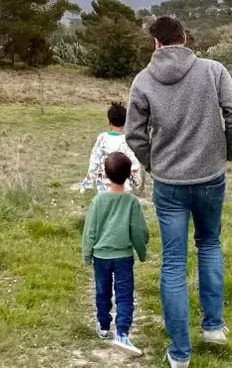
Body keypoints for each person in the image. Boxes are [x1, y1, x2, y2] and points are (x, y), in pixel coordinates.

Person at [125, 15, 232, 368]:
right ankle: (213, 328)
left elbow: (134, 134)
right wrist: (226, 152)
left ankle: (180, 354)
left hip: (169, 185)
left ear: (156, 43)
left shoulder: (143, 80)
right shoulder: (213, 70)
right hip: (210, 178)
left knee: (174, 262)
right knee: (209, 245)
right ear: (184, 38)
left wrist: (153, 164)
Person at [81, 151, 150, 358]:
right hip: (123, 258)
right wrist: (142, 251)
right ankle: (122, 333)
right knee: (125, 295)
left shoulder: (98, 201)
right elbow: (139, 231)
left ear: (105, 174)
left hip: (101, 258)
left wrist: (87, 254)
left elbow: (90, 231)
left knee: (102, 292)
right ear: (129, 175)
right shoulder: (132, 202)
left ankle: (103, 326)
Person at [80, 101, 143, 195]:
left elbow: (94, 160)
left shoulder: (102, 138)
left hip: (104, 186)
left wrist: (89, 178)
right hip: (124, 187)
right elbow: (134, 163)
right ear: (125, 123)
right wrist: (137, 180)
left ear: (109, 122)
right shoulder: (127, 141)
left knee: (106, 203)